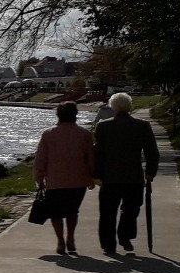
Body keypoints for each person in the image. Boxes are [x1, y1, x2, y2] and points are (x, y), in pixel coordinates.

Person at [93, 92, 160, 255]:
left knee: (108, 213)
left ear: (112, 107)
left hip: (110, 177)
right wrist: (150, 172)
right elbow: (152, 151)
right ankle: (125, 235)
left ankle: (109, 245)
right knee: (131, 210)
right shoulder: (142, 125)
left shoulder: (102, 126)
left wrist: (96, 174)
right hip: (133, 176)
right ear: (129, 106)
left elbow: (98, 153)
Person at [34, 101, 95, 255]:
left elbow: (41, 159)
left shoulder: (48, 134)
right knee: (72, 211)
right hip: (78, 179)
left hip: (55, 180)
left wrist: (39, 178)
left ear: (58, 115)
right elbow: (90, 158)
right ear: (75, 114)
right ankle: (71, 238)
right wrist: (92, 176)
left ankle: (60, 241)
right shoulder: (85, 134)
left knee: (56, 213)